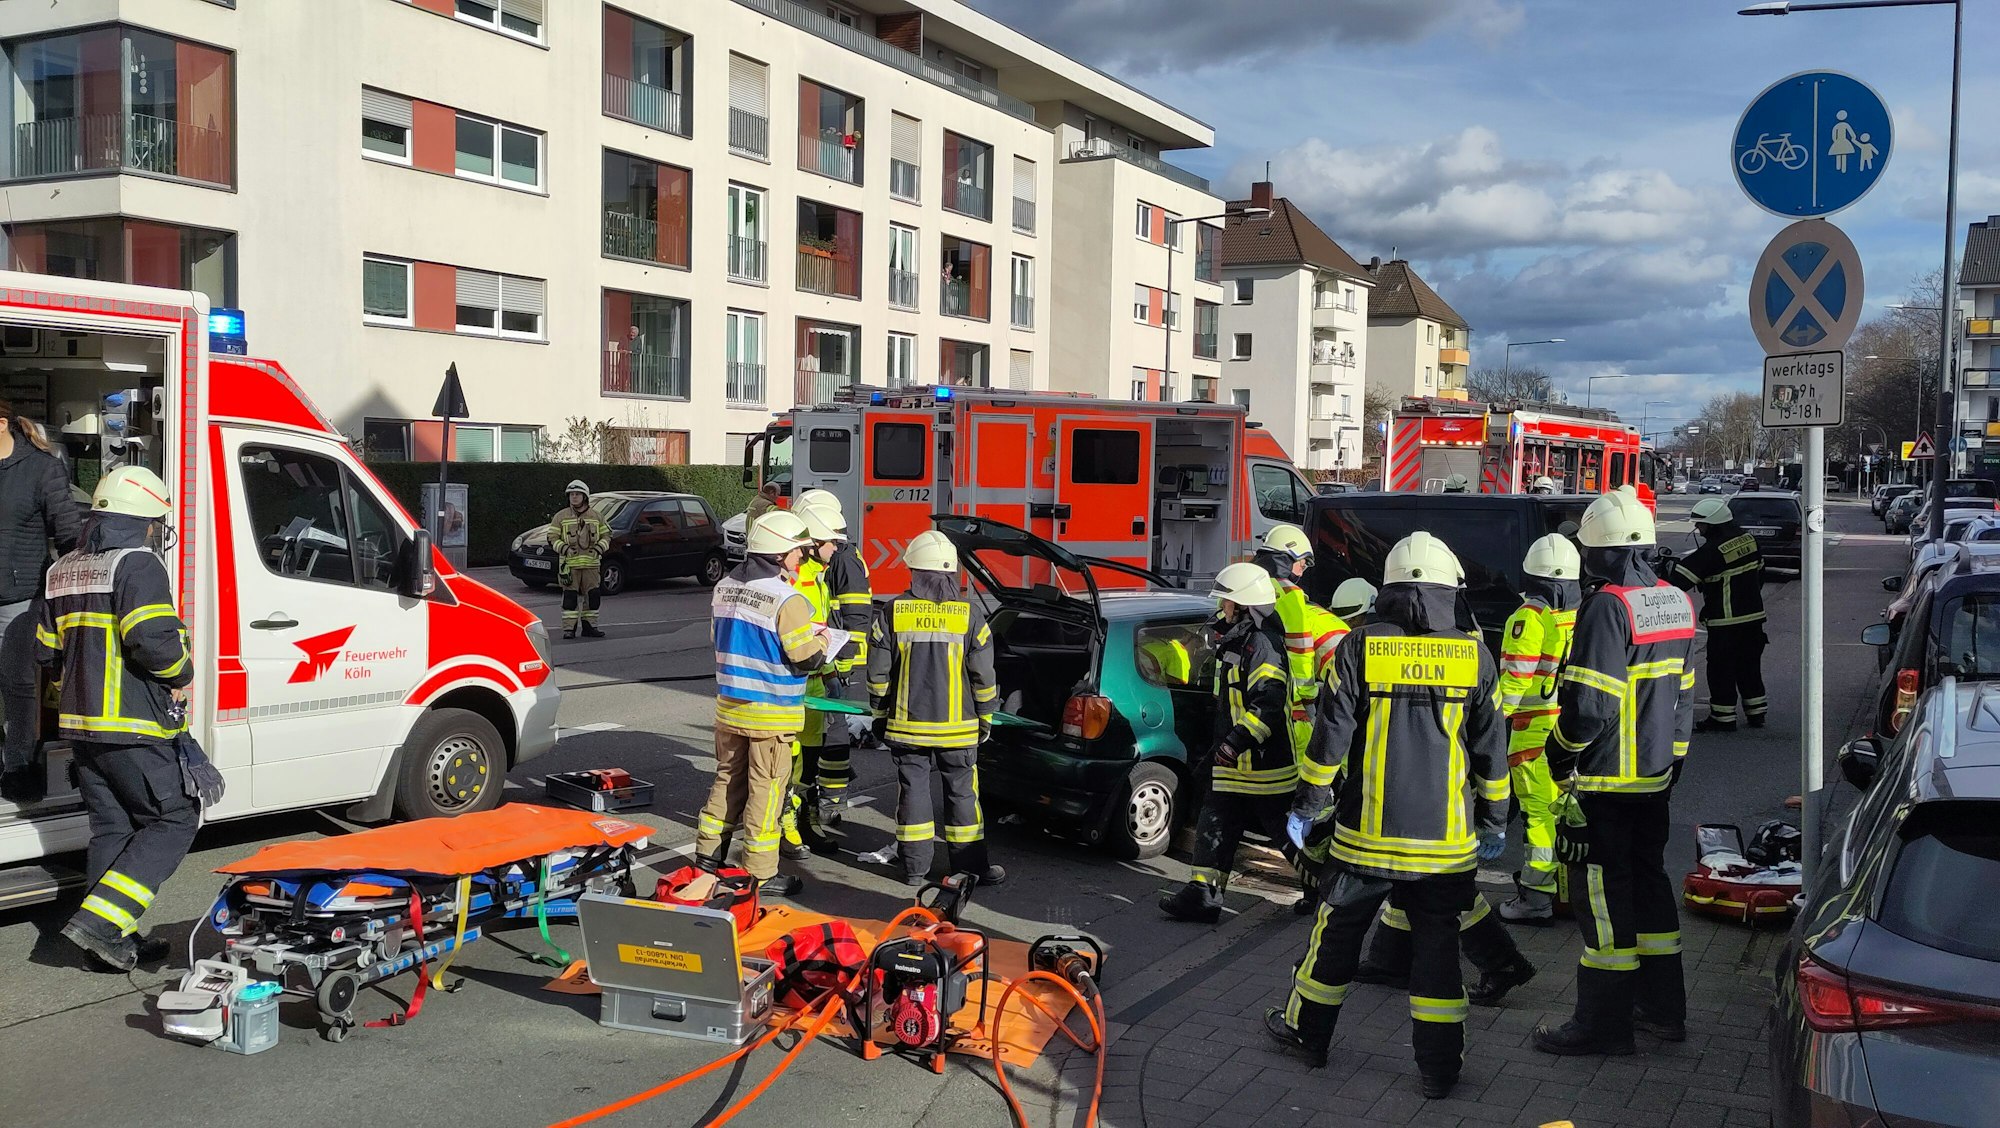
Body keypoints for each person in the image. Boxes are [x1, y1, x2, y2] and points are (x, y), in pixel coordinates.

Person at [1265, 532, 1510, 1098]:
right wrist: (1494, 820)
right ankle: (1440, 1071)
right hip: (1446, 847)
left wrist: (1308, 805)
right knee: (1438, 953)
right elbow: (1491, 750)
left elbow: (1330, 737)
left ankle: (1308, 1035)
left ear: (1388, 587)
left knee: (1335, 939)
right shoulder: (1475, 654)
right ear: (1450, 589)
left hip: (1364, 839)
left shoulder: (1358, 645)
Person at [1532, 489, 1696, 1056]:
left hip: (1605, 781)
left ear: (1601, 550)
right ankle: (1662, 1011)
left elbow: (1591, 706)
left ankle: (1602, 1024)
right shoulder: (1676, 601)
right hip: (1653, 780)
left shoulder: (1608, 606)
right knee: (1650, 889)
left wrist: (1559, 752)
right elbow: (1683, 696)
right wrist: (1674, 758)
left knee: (1600, 896)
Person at [38, 467, 195, 970]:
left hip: (81, 726)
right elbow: (152, 641)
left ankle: (108, 945)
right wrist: (182, 669)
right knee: (174, 818)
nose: (157, 531)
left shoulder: (63, 568)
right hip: (133, 723)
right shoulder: (138, 564)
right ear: (144, 520)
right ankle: (102, 923)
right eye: (156, 521)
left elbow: (44, 650)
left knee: (114, 827)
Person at [698, 510, 827, 898]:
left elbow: (716, 639)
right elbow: (806, 657)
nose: (802, 559)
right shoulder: (788, 599)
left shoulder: (723, 587)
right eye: (798, 553)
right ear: (778, 555)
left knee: (726, 781)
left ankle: (707, 858)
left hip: (730, 709)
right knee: (767, 792)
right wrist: (823, 642)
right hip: (770, 715)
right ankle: (760, 874)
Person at [1159, 563, 1296, 924]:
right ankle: (1202, 894)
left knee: (1286, 834)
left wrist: (1234, 742)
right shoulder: (1241, 640)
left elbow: (1268, 705)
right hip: (1235, 764)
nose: (1222, 609)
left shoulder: (1263, 645)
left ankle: (1324, 890)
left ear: (1246, 605)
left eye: (1227, 602)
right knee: (1214, 820)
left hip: (1263, 765)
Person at [867, 531, 1005, 887]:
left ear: (915, 571)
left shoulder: (894, 611)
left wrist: (879, 714)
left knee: (912, 793)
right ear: (950, 574)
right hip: (959, 731)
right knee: (962, 795)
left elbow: (878, 674)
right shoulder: (970, 616)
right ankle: (971, 869)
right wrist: (986, 716)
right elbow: (983, 676)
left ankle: (915, 870)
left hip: (907, 728)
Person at [1496, 533, 1582, 923]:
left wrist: (1489, 724)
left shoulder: (1529, 618)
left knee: (1539, 816)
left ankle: (1536, 896)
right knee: (1571, 813)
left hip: (1534, 733)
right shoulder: (1583, 616)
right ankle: (1572, 890)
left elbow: (1515, 681)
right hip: (1576, 731)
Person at [0, 403, 80, 803]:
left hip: (18, 597)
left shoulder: (41, 468)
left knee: (18, 687)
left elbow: (68, 533)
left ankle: (18, 767)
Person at [800, 497, 870, 836]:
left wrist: (842, 663)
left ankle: (828, 801)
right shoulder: (819, 568)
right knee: (819, 743)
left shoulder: (842, 560)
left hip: (830, 665)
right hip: (817, 667)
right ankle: (821, 800)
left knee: (831, 735)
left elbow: (855, 616)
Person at [1671, 497, 1766, 733]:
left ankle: (1723, 718)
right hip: (1753, 617)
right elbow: (1760, 574)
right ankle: (1757, 712)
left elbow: (1679, 581)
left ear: (1713, 525)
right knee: (1749, 666)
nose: (1698, 529)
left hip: (1726, 622)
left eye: (1701, 525)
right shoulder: (1749, 540)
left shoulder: (1713, 551)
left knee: (1721, 669)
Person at [777, 503, 838, 859]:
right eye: (831, 542)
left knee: (809, 766)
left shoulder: (817, 577)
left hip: (814, 683)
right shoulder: (795, 578)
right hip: (794, 686)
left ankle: (805, 821)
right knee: (790, 764)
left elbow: (821, 628)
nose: (836, 549)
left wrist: (829, 673)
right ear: (813, 543)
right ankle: (787, 827)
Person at [1254, 526, 1345, 760]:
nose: (1302, 572)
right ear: (1287, 557)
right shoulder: (1290, 595)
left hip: (1240, 703)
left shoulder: (1239, 586)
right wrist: (1308, 699)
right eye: (1302, 564)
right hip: (1290, 714)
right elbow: (1300, 651)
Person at [549, 480, 610, 639]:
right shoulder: (560, 516)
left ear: (585, 496)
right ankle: (569, 629)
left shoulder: (597, 516)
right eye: (571, 495)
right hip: (570, 566)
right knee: (569, 599)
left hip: (591, 566)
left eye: (577, 494)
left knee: (593, 596)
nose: (574, 497)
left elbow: (607, 535)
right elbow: (552, 537)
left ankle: (590, 627)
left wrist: (599, 548)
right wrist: (564, 548)